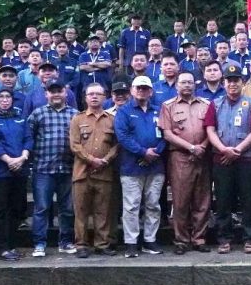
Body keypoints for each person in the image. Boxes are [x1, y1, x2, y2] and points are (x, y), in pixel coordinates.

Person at [205, 63, 251, 254]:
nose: (232, 84)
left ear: (242, 82)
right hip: (221, 160)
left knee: (249, 200)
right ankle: (224, 239)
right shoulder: (215, 104)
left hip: (246, 159)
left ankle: (250, 238)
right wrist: (223, 149)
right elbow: (209, 130)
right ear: (223, 83)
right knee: (223, 200)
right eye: (229, 81)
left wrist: (237, 149)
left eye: (236, 80)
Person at [158, 72, 212, 254]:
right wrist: (190, 147)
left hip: (203, 157)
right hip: (180, 157)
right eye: (183, 82)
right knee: (180, 201)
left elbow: (211, 130)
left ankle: (199, 238)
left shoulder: (206, 105)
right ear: (177, 85)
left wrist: (202, 147)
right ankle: (181, 240)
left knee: (202, 200)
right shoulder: (168, 106)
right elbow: (167, 134)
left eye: (190, 82)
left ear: (195, 85)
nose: (187, 85)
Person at [114, 76, 166, 258]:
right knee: (131, 206)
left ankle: (150, 240)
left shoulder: (159, 110)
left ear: (151, 91)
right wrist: (143, 152)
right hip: (131, 166)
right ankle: (131, 242)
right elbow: (123, 136)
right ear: (132, 90)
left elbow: (166, 134)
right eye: (138, 88)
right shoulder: (124, 111)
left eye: (145, 88)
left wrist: (155, 153)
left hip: (155, 166)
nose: (142, 91)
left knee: (153, 204)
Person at [66, 83, 119, 258]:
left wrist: (106, 159)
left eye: (98, 94)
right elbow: (74, 145)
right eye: (91, 94)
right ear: (85, 98)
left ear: (105, 97)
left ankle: (102, 243)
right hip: (82, 173)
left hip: (105, 172)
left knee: (102, 211)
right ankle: (81, 244)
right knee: (80, 211)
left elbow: (117, 145)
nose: (94, 97)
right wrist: (92, 160)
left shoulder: (112, 119)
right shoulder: (77, 119)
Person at [26, 80, 77, 258]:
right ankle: (39, 244)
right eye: (52, 91)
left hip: (68, 169)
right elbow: (28, 139)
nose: (56, 94)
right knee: (41, 208)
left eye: (59, 91)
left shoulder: (75, 114)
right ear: (46, 94)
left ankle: (66, 241)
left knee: (68, 209)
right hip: (43, 169)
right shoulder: (37, 114)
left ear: (65, 93)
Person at [0, 87, 31, 261]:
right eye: (1, 97)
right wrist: (9, 160)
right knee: (0, 210)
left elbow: (28, 138)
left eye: (8, 97)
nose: (5, 100)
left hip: (20, 169)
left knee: (16, 209)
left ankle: (11, 245)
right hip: (0, 171)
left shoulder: (19, 117)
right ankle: (0, 247)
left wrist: (23, 156)